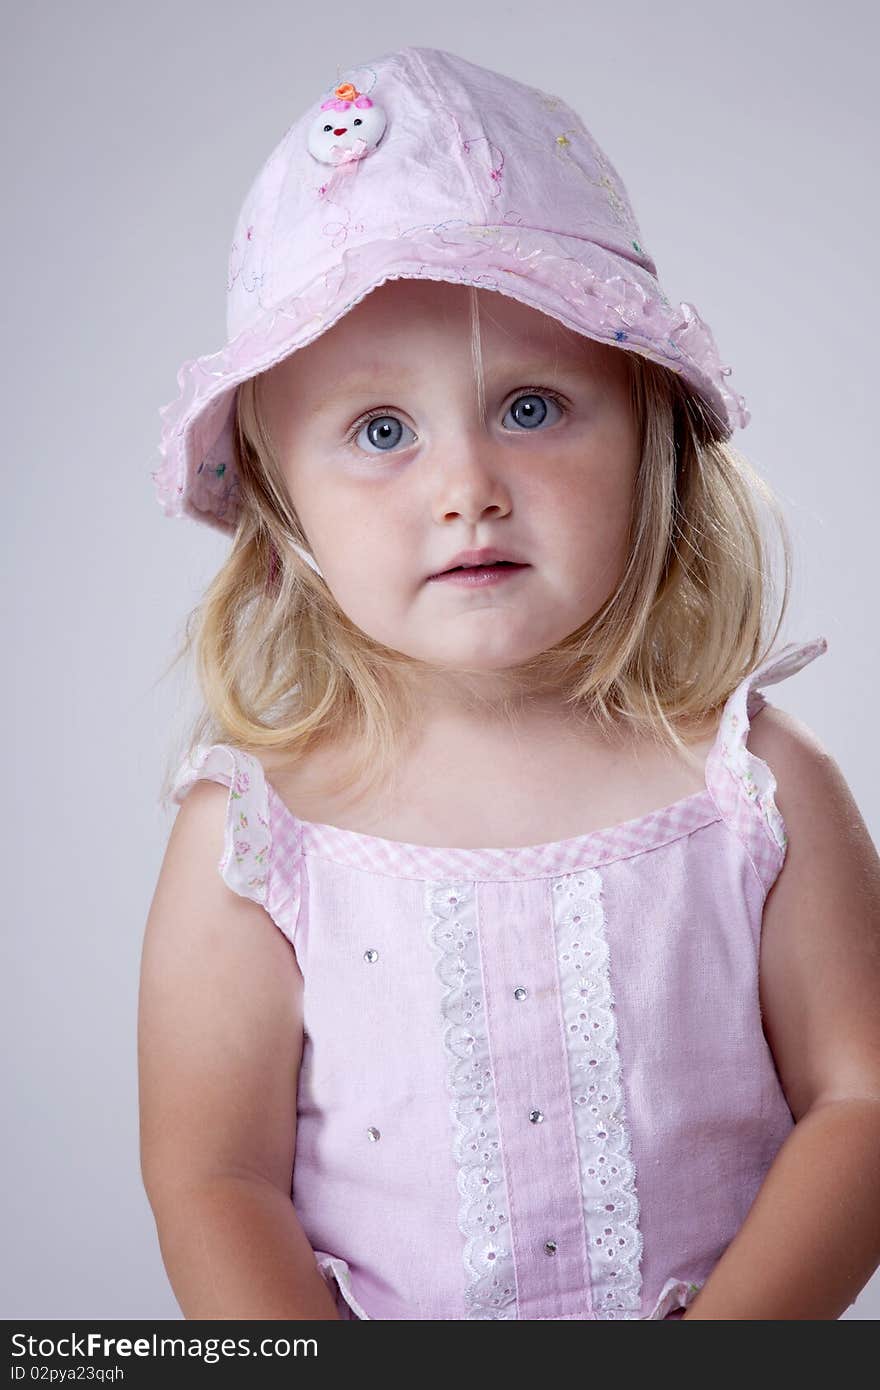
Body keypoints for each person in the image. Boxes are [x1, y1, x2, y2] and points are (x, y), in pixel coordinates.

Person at [138, 46, 880, 1321]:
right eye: (382, 432)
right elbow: (215, 1177)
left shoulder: (752, 786)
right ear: (281, 497)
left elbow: (861, 1102)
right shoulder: (260, 837)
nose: (466, 485)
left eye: (532, 407)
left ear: (652, 439)